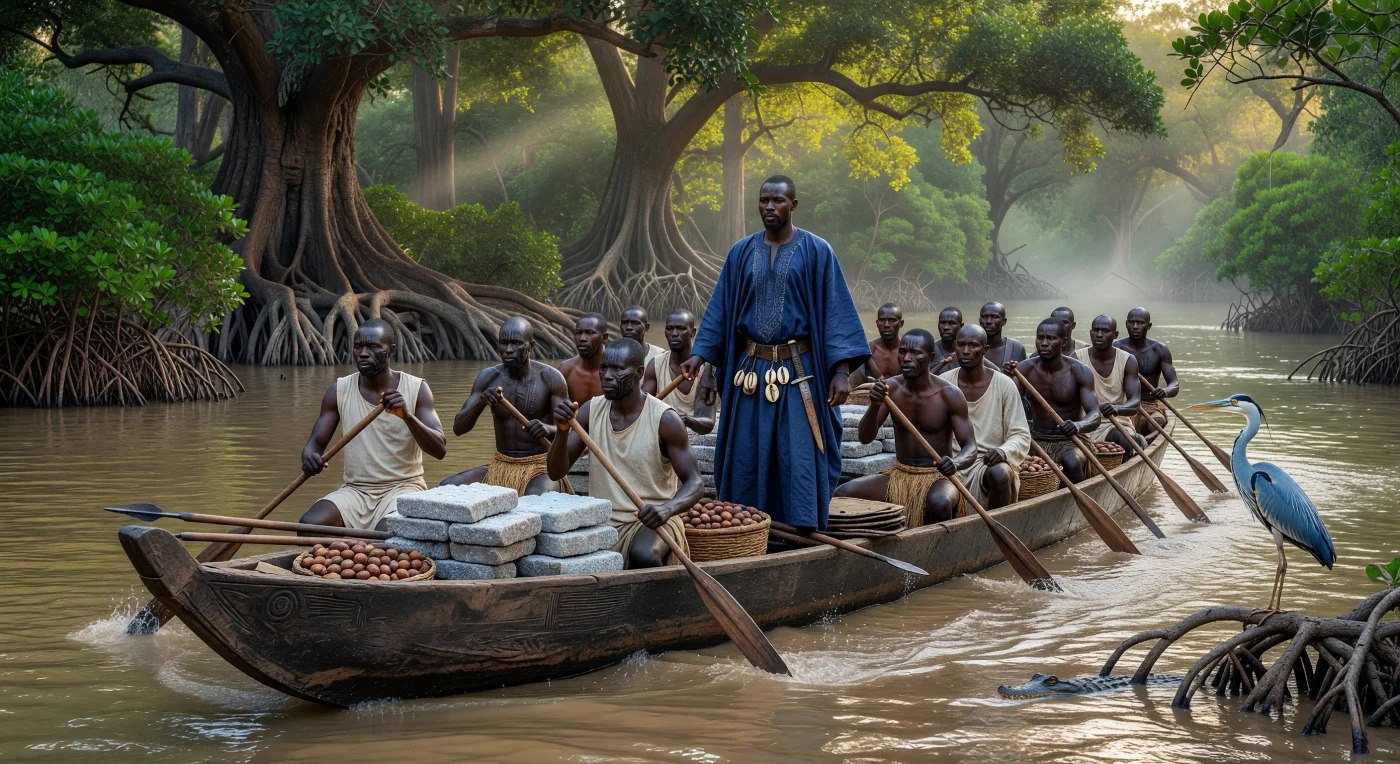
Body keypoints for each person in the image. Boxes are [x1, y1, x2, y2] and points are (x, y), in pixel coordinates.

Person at [681, 174, 869, 531]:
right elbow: (720, 309)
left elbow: (837, 312)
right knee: (746, 451)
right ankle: (744, 527)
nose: (769, 207)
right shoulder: (740, 252)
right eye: (764, 200)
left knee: (797, 453)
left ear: (793, 205)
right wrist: (702, 357)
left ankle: (799, 525)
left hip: (801, 372)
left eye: (778, 201)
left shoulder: (817, 251)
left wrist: (842, 372)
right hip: (748, 372)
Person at [547, 339, 705, 568]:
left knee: (644, 555)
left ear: (639, 373)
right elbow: (555, 472)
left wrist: (666, 509)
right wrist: (561, 432)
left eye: (618, 369)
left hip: (650, 522)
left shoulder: (665, 419)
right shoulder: (590, 411)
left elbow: (696, 484)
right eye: (604, 368)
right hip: (601, 523)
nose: (607, 376)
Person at [298, 320, 447, 531]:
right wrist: (310, 458)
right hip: (355, 491)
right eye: (358, 346)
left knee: (385, 534)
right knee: (308, 526)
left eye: (373, 347)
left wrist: (407, 417)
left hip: (403, 489)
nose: (363, 353)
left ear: (391, 351)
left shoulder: (417, 388)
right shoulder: (338, 390)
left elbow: (440, 449)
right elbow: (314, 445)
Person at [835, 329, 976, 526]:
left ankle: (936, 552)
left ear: (931, 358)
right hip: (899, 474)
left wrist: (956, 462)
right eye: (902, 352)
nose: (907, 358)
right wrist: (874, 406)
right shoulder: (889, 389)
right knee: (843, 493)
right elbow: (865, 438)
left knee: (939, 502)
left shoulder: (949, 395)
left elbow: (970, 447)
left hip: (937, 477)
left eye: (916, 353)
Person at [441, 317, 572, 495]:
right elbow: (458, 428)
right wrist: (482, 402)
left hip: (540, 468)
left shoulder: (550, 378)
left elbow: (570, 430)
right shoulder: (488, 377)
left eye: (516, 343)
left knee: (535, 502)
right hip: (500, 465)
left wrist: (547, 429)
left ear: (531, 345)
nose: (508, 350)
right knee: (446, 488)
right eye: (504, 343)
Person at [939, 325, 1031, 509]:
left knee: (1001, 474)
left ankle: (996, 530)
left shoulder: (1005, 385)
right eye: (961, 345)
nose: (966, 351)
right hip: (952, 463)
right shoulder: (943, 382)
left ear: (985, 350)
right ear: (954, 348)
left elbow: (1021, 435)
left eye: (973, 345)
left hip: (988, 463)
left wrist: (1003, 452)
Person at [1005, 318, 1100, 483]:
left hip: (1070, 441)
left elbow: (1095, 416)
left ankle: (1076, 504)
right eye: (1040, 338)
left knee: (1072, 462)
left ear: (1063, 342)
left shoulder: (1079, 371)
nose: (1044, 343)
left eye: (1050, 338)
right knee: (1010, 467)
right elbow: (1008, 404)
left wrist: (1078, 425)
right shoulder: (1025, 369)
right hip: (1035, 439)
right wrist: (1006, 378)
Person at [1073, 315, 1143, 456]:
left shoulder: (1128, 360)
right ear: (1090, 332)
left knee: (1125, 440)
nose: (1099, 335)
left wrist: (1116, 408)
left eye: (1105, 331)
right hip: (1084, 423)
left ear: (1115, 335)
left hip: (1116, 422)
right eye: (1095, 330)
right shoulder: (1076, 358)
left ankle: (1132, 450)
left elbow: (1135, 404)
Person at [642, 309, 716, 434]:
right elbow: (642, 409)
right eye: (669, 328)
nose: (674, 334)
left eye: (681, 329)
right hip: (664, 434)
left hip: (694, 435)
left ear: (693, 333)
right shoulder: (655, 365)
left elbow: (708, 423)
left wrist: (685, 420)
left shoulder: (706, 369)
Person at [1115, 307, 1175, 436]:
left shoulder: (1159, 350)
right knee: (1118, 434)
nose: (1135, 326)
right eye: (1131, 322)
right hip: (1122, 406)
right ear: (1126, 324)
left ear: (1149, 326)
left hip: (1149, 405)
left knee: (1157, 424)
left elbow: (1174, 384)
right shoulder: (1115, 348)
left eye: (1140, 323)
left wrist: (1165, 391)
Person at [559, 313, 608, 404]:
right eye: (578, 333)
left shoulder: (617, 370)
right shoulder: (566, 370)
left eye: (589, 333)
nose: (582, 338)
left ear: (604, 338)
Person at [852, 303, 904, 385]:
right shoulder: (868, 348)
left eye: (892, 320)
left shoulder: (907, 351)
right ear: (877, 323)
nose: (886, 325)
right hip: (871, 394)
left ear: (901, 324)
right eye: (882, 320)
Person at [979, 302, 1027, 370]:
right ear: (980, 321)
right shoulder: (970, 347)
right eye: (984, 317)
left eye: (995, 317)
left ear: (1004, 321)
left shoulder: (1015, 347)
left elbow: (1023, 376)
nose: (988, 321)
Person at [928, 306, 965, 375]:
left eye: (952, 323)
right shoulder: (929, 350)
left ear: (961, 326)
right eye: (942, 323)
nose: (946, 327)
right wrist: (943, 363)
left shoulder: (967, 351)